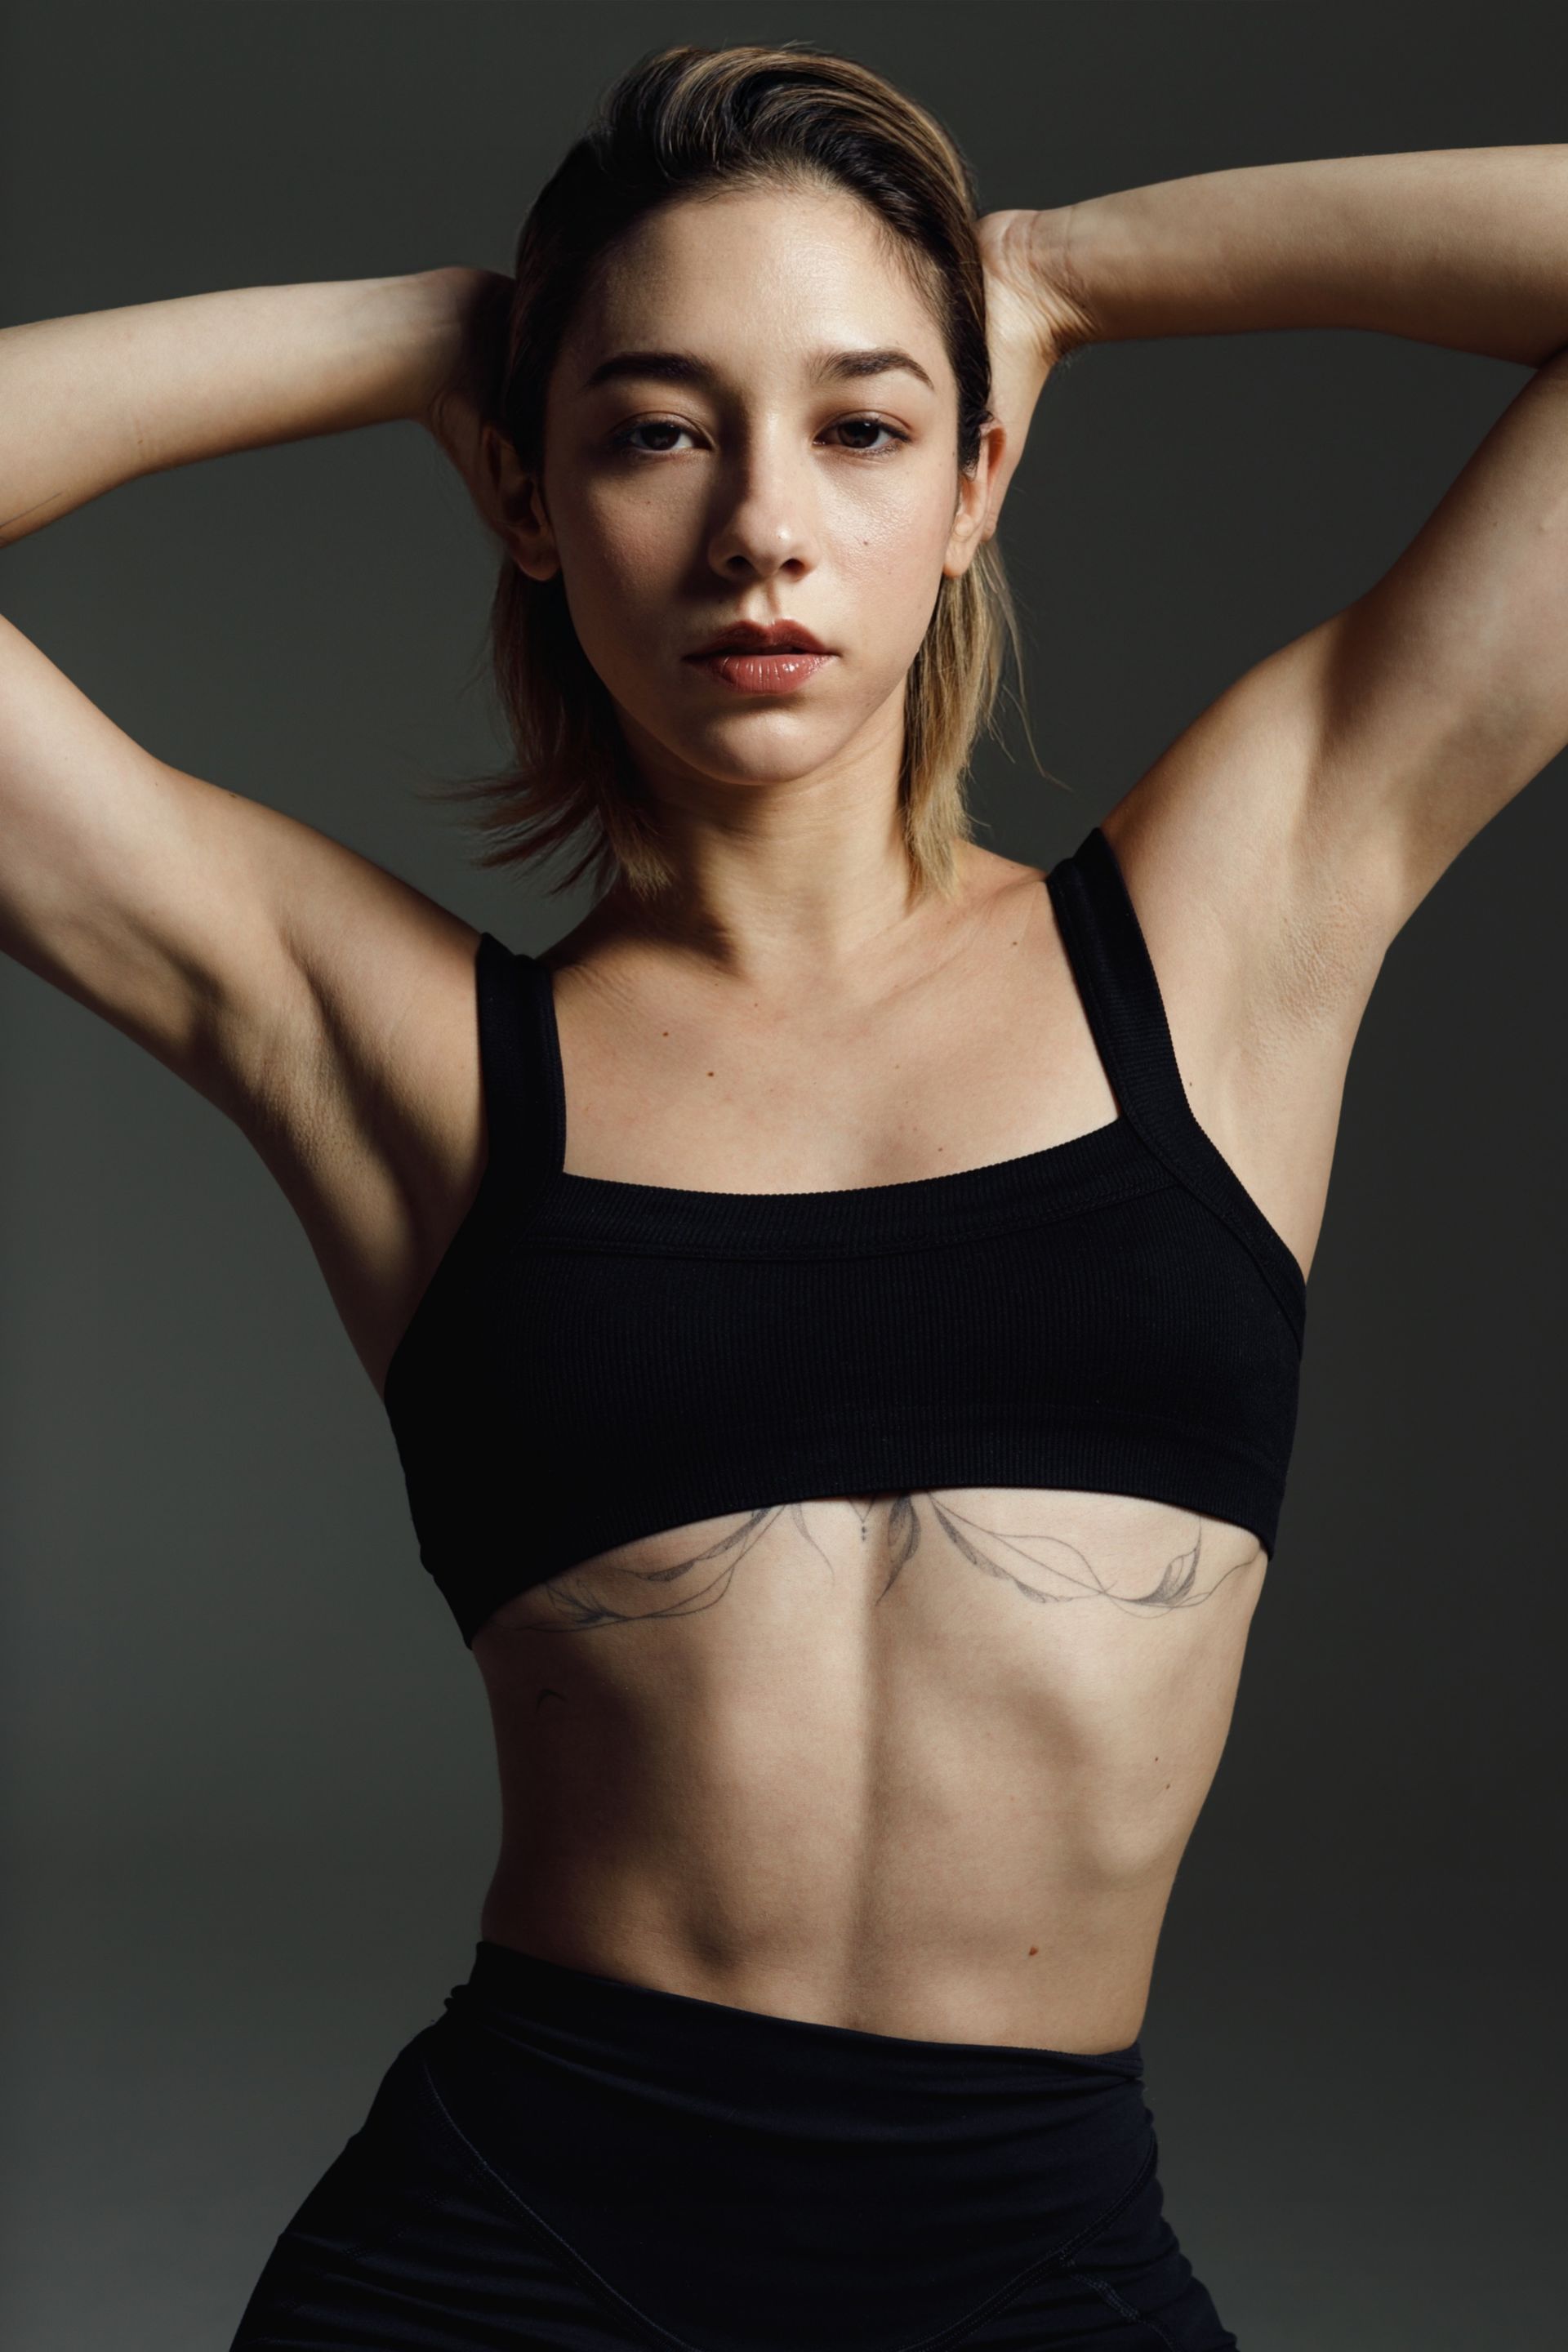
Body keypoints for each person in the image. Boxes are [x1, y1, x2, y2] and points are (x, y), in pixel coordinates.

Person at [2, 36, 1562, 2352]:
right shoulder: (407, 1054)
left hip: (1037, 2262)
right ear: (528, 498)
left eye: (862, 427)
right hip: (505, 2265)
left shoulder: (1230, 933)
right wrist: (442, 337)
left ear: (977, 479)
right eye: (656, 432)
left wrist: (1069, 271)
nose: (761, 526)